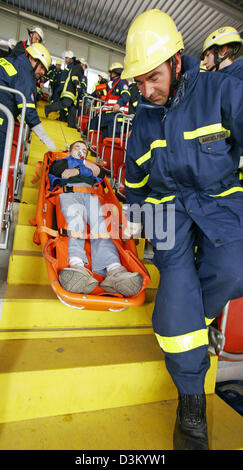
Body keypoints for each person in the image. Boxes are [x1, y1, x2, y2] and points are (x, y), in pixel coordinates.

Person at [121, 9, 243, 450]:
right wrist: (139, 219)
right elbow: (134, 183)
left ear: (176, 61)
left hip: (219, 199)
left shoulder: (222, 90)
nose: (147, 90)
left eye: (153, 77)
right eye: (139, 82)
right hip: (166, 210)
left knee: (234, 269)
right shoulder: (143, 118)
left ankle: (198, 318)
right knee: (175, 303)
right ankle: (191, 406)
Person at [48, 140, 143, 296]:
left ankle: (114, 270)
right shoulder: (62, 161)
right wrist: (83, 169)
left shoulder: (90, 164)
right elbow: (60, 171)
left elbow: (100, 173)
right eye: (77, 148)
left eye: (84, 149)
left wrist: (79, 170)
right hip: (69, 193)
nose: (81, 151)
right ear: (69, 151)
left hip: (91, 195)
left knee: (101, 228)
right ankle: (77, 266)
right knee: (75, 223)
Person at [0, 42, 56, 168]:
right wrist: (45, 138)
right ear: (32, 58)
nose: (42, 72)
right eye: (42, 67)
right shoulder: (25, 72)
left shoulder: (9, 61)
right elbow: (27, 108)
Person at [89, 62, 131, 139]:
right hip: (108, 116)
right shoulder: (113, 85)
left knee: (112, 140)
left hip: (115, 117)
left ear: (115, 72)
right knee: (105, 138)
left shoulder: (122, 81)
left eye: (111, 72)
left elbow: (126, 95)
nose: (110, 74)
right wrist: (102, 108)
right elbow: (110, 102)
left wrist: (119, 104)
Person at [45, 57, 84, 128]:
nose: (85, 67)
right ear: (82, 64)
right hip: (70, 91)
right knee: (65, 103)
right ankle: (48, 108)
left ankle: (71, 123)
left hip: (73, 92)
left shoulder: (76, 67)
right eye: (84, 66)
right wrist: (77, 85)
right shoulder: (78, 67)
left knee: (73, 108)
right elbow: (74, 76)